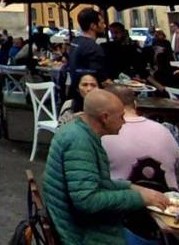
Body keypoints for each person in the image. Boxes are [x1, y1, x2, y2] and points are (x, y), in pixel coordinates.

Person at [44, 89, 169, 245]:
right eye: (121, 117)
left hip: (75, 225)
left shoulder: (78, 131)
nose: (124, 122)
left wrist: (132, 187)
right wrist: (140, 198)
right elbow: (87, 200)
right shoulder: (80, 143)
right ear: (105, 118)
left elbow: (94, 183)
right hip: (82, 235)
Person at [101, 85, 179, 190]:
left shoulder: (103, 134)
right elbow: (177, 169)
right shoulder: (164, 131)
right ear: (135, 104)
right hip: (170, 201)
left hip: (120, 201)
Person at [69, 8, 108, 89]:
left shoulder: (75, 41)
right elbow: (100, 78)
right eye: (102, 23)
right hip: (90, 94)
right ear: (93, 26)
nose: (104, 26)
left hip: (76, 91)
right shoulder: (94, 48)